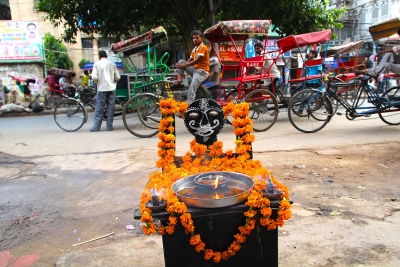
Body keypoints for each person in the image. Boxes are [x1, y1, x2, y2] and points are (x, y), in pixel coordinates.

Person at [175, 30, 209, 104]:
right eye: (193, 38)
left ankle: (188, 105)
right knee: (181, 61)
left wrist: (183, 66)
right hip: (195, 70)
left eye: (197, 38)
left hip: (202, 72)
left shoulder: (203, 47)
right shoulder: (194, 49)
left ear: (202, 38)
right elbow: (188, 61)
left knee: (192, 88)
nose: (195, 39)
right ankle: (179, 79)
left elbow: (196, 61)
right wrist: (180, 66)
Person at [90, 50, 120, 132]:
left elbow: (94, 77)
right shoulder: (112, 64)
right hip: (111, 88)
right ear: (106, 56)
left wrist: (98, 82)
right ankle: (109, 126)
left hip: (101, 88)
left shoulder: (97, 64)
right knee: (111, 108)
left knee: (100, 108)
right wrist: (112, 81)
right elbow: (118, 77)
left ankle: (96, 127)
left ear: (99, 56)